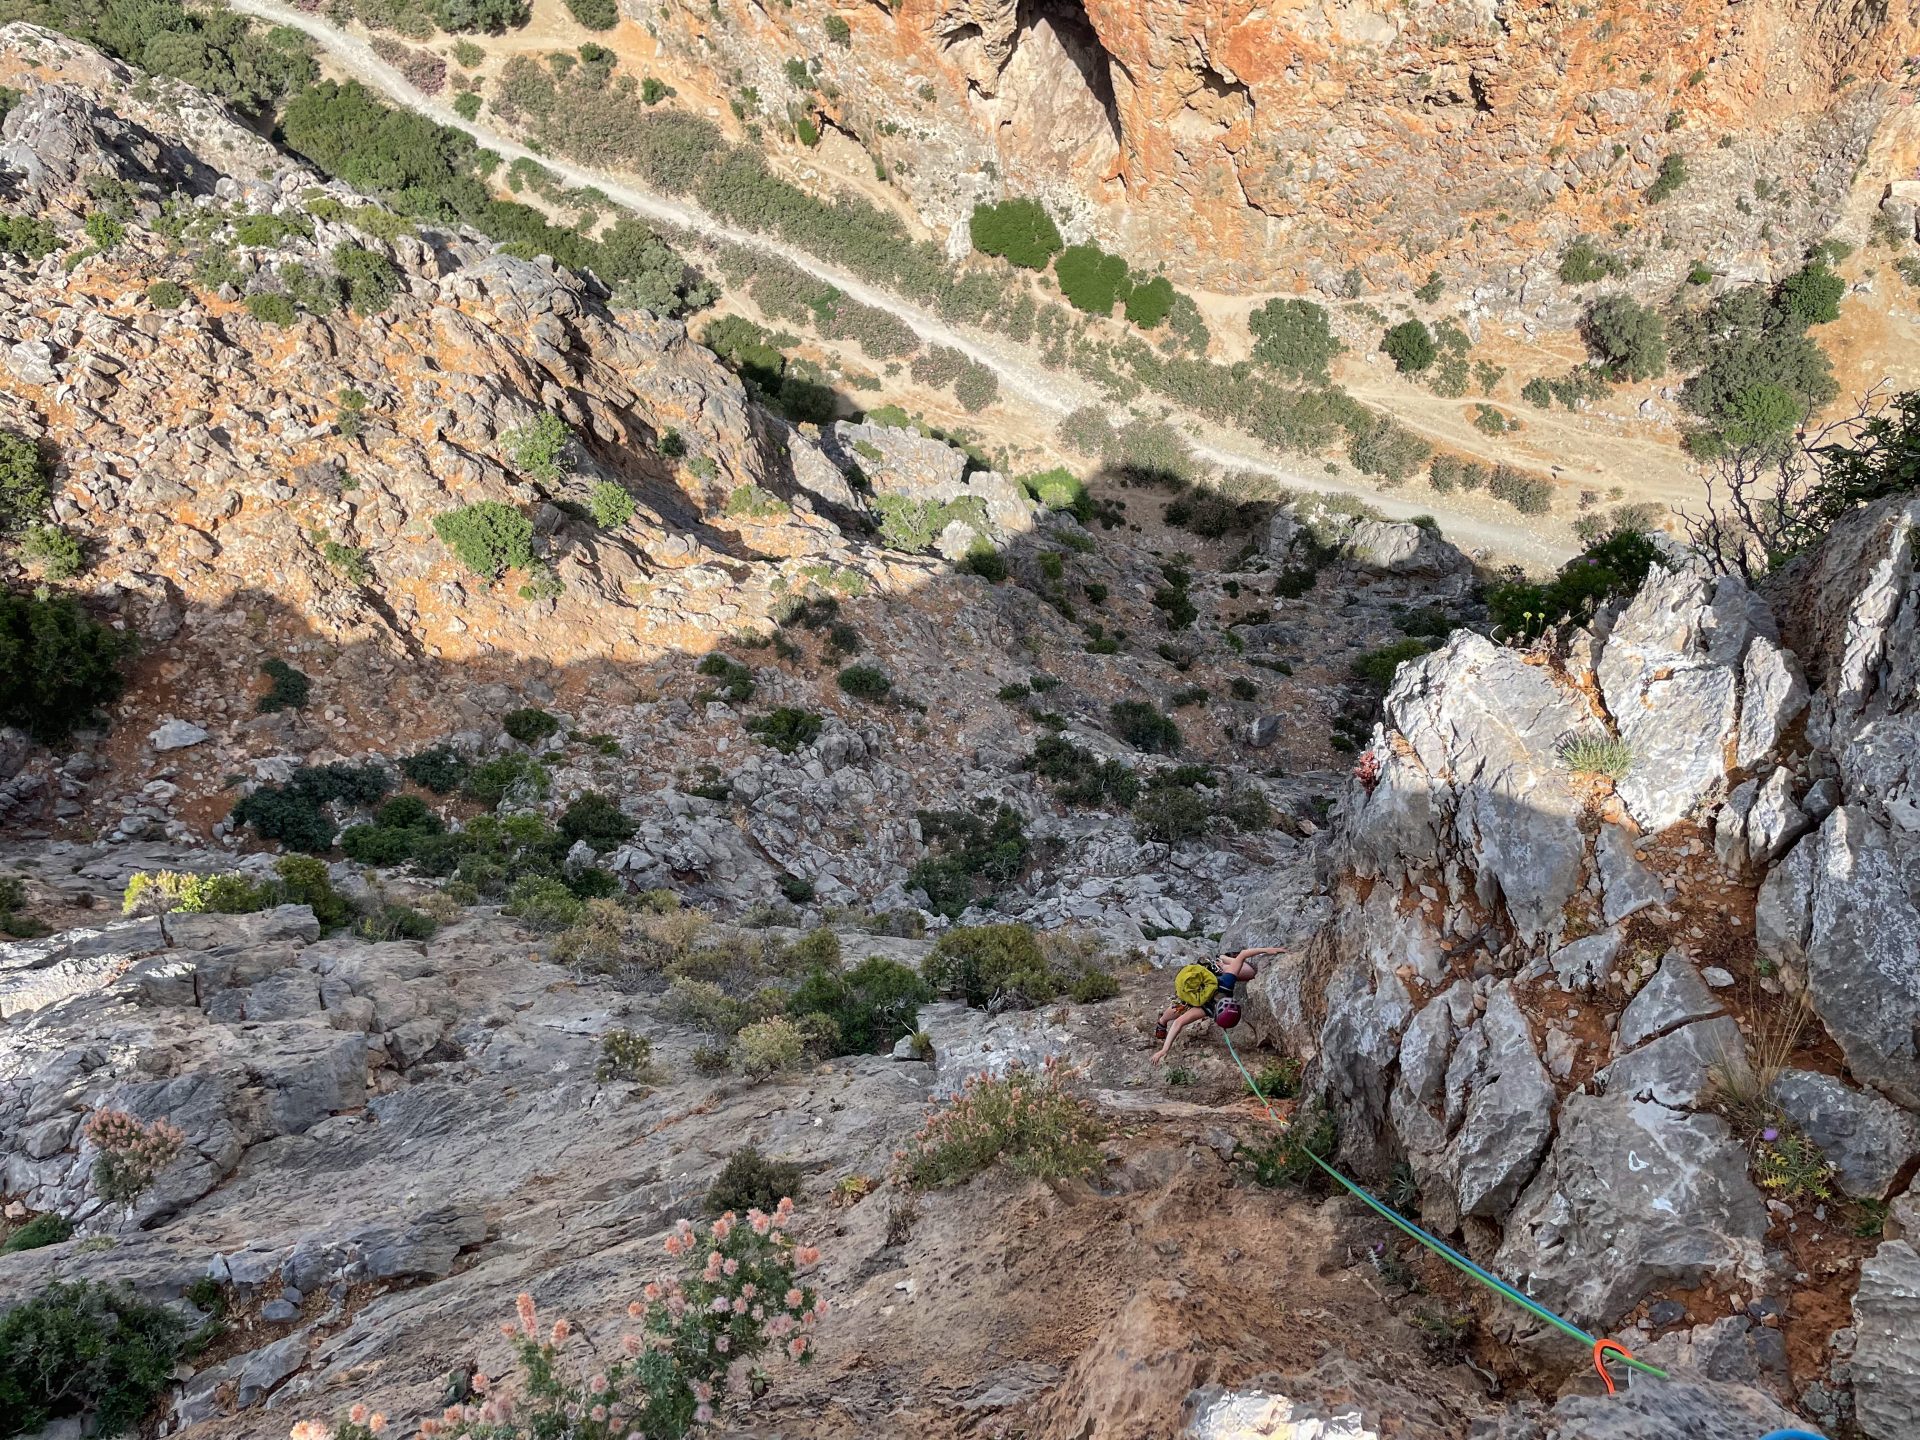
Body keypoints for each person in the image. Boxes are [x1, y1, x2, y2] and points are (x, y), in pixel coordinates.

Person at [1150, 947, 1283, 1065]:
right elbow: (1178, 1022)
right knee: (1181, 1005)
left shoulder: (1226, 983)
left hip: (1213, 976)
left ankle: (1224, 958)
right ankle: (1162, 1021)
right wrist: (1164, 1050)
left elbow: (1243, 955)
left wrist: (1267, 949)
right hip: (1197, 978)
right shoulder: (1214, 997)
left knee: (1250, 973)